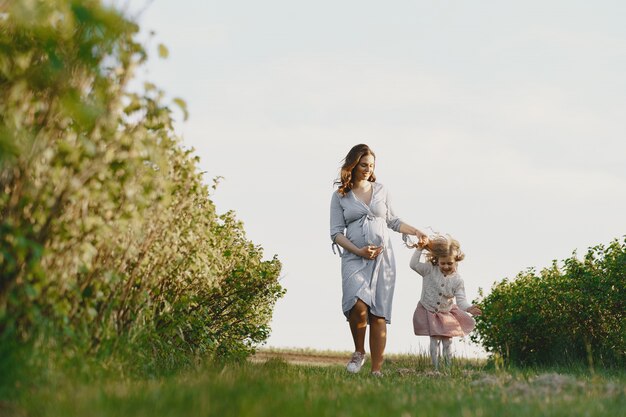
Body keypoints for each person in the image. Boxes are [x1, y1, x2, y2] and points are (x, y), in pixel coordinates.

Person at [330, 144, 426, 376]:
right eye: (363, 164)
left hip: (383, 259)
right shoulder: (340, 195)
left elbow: (392, 220)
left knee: (378, 313)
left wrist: (416, 231)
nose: (367, 169)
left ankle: (376, 370)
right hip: (354, 257)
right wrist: (359, 250)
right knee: (358, 305)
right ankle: (359, 351)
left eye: (371, 165)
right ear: (353, 165)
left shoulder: (381, 190)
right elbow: (336, 233)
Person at [406, 233, 482, 369]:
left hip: (446, 313)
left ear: (456, 261)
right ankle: (436, 368)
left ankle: (448, 368)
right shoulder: (429, 269)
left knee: (448, 342)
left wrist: (469, 308)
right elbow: (413, 265)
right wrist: (419, 249)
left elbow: (461, 301)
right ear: (437, 260)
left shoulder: (457, 280)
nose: (446, 266)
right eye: (443, 263)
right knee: (434, 341)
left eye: (450, 263)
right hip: (429, 310)